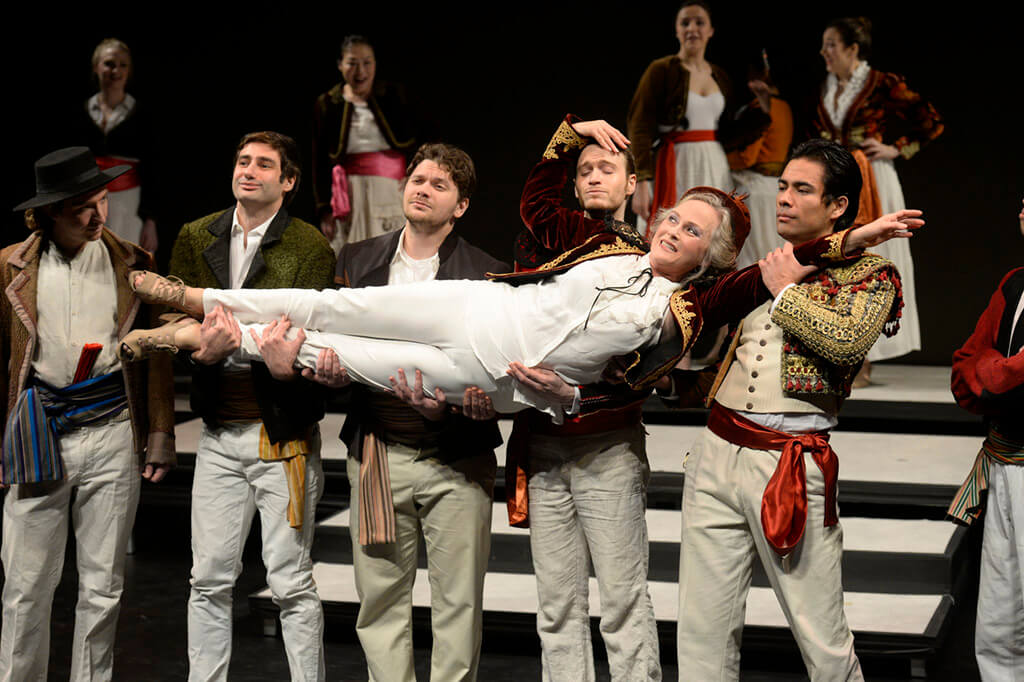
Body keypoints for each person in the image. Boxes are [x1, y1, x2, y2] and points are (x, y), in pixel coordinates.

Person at [123, 176, 908, 420]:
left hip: (489, 378)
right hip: (473, 308)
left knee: (337, 355)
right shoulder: (612, 246)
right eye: (671, 214)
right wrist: (575, 132)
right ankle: (192, 297)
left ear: (713, 255)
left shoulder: (689, 311)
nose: (673, 227)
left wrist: (858, 236)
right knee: (338, 305)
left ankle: (195, 342)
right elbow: (538, 198)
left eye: (693, 228)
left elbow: (778, 266)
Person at [674, 138, 920, 681]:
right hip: (716, 451)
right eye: (782, 186)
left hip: (786, 463)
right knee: (700, 631)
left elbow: (847, 341)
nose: (782, 198)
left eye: (801, 189)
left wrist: (786, 295)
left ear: (837, 206)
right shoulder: (768, 265)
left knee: (822, 637)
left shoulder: (873, 277)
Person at [316, 143, 505, 681]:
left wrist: (461, 408)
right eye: (417, 179)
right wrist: (331, 376)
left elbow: (491, 373)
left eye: (438, 184)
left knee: (458, 604)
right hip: (379, 452)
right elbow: (340, 348)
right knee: (379, 602)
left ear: (461, 206)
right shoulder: (358, 259)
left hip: (456, 460)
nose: (422, 189)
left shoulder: (486, 274)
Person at [163, 131, 335, 681]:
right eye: (242, 161)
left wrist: (277, 360)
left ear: (287, 181)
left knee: (290, 580)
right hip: (218, 431)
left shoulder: (309, 245)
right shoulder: (198, 235)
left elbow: (308, 338)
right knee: (208, 578)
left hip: (281, 433)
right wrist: (201, 353)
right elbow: (175, 321)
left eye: (265, 164)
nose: (249, 171)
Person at [0, 147, 175, 680]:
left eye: (102, 201)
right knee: (26, 586)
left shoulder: (133, 264)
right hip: (40, 428)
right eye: (83, 207)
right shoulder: (12, 264)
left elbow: (158, 348)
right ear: (51, 211)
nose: (99, 216)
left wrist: (163, 429)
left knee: (103, 586)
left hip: (113, 429)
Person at [814, 16, 943, 379]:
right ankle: (841, 349)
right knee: (838, 258)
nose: (824, 52)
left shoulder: (881, 83)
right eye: (824, 45)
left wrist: (896, 148)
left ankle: (867, 355)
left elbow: (931, 121)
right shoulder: (827, 86)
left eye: (831, 45)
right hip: (838, 179)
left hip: (873, 180)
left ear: (852, 49)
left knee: (873, 257)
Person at [947, 199, 1024, 680]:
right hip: (1004, 462)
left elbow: (990, 374)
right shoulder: (1014, 281)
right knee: (1000, 614)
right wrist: (1001, 373)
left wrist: (995, 372)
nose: (1022, 212)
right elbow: (964, 370)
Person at [627, 1, 769, 236]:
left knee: (709, 229)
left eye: (699, 22)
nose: (692, 28)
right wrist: (642, 181)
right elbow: (639, 124)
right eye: (685, 23)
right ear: (676, 30)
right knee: (672, 223)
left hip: (712, 163)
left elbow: (727, 132)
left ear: (711, 30)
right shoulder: (662, 70)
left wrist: (762, 109)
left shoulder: (719, 75)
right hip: (675, 161)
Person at [312, 35, 420, 255]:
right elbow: (319, 159)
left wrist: (415, 174)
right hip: (348, 192)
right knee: (351, 255)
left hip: (392, 189)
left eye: (367, 62)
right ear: (340, 65)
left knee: (394, 253)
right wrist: (324, 209)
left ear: (375, 64)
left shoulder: (393, 96)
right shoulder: (328, 103)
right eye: (352, 63)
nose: (360, 71)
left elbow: (425, 137)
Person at [70, 38, 159, 252]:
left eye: (122, 65)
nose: (115, 70)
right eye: (109, 63)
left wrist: (151, 221)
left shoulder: (142, 115)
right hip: (86, 201)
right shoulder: (81, 111)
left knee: (124, 264)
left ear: (129, 71)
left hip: (127, 204)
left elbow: (155, 171)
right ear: (96, 67)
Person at [729, 56, 793, 270]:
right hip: (774, 186)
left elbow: (748, 157)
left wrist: (720, 158)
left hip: (755, 189)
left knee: (752, 260)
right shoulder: (785, 107)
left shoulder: (762, 107)